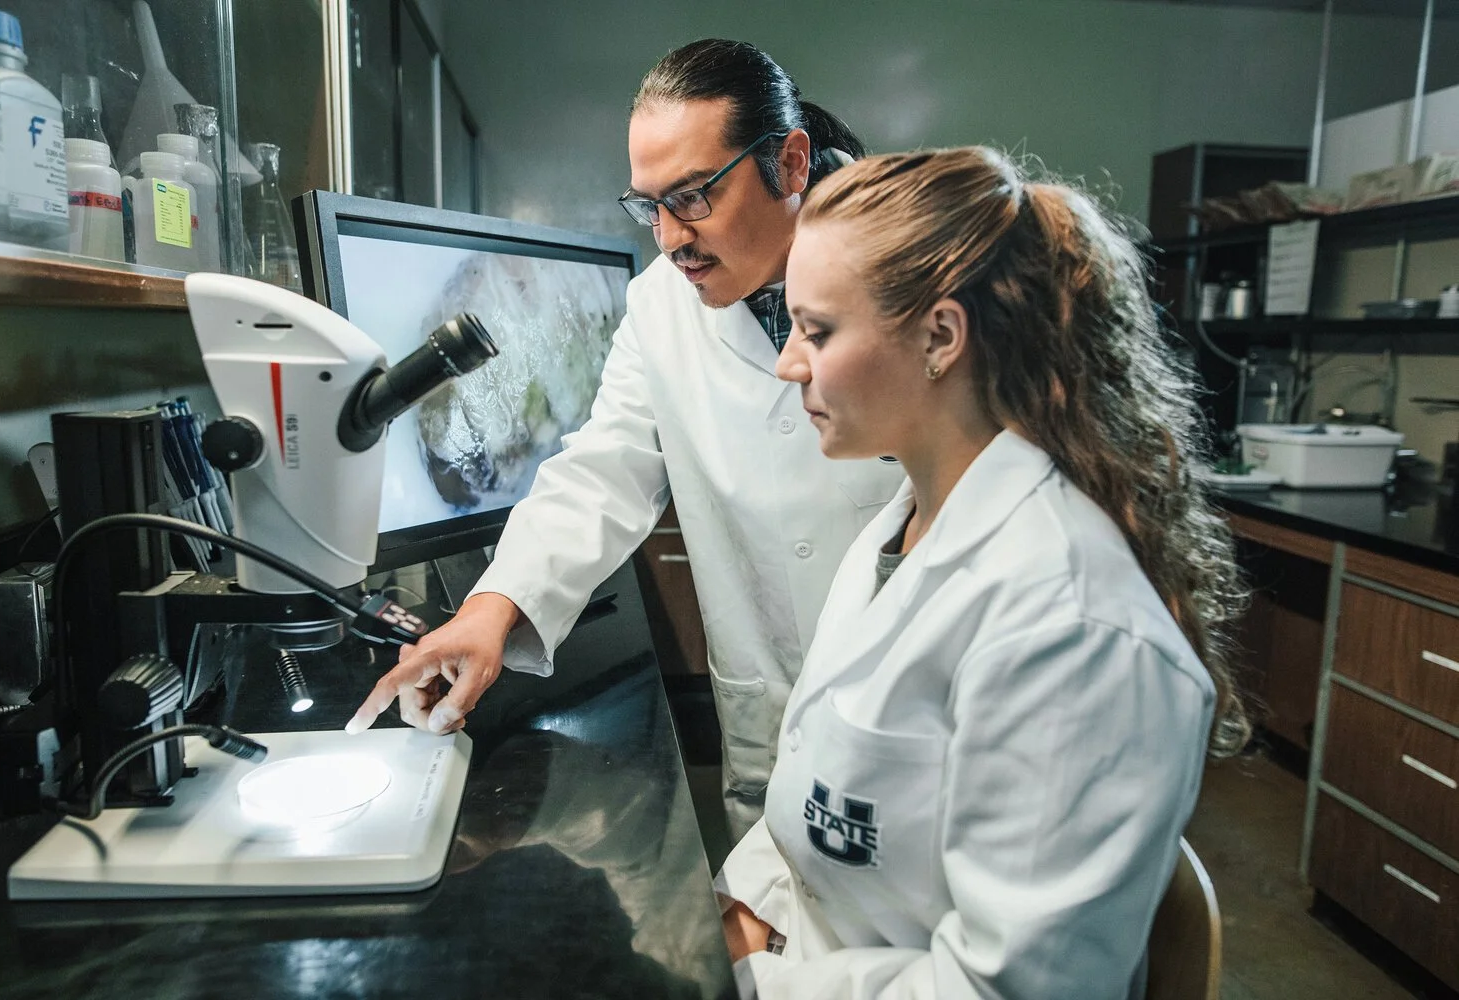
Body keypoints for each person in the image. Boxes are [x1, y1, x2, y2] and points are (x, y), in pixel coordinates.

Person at [713, 146, 1250, 999]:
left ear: (939, 337)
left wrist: (754, 981)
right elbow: (820, 780)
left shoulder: (1071, 626)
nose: (788, 363)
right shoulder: (905, 527)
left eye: (817, 331)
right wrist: (747, 907)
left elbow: (1008, 990)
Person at [346, 40, 905, 840]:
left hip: (915, 725)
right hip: (774, 725)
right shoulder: (660, 305)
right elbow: (603, 472)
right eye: (649, 207)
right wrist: (491, 611)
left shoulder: (915, 285)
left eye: (693, 197)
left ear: (788, 163)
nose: (670, 238)